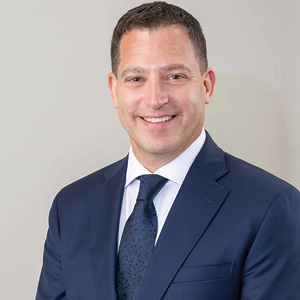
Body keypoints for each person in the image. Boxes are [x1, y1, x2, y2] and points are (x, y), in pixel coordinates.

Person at [36, 2, 300, 300]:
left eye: (174, 76)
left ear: (207, 85)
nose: (155, 99)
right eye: (136, 79)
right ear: (114, 90)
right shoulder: (70, 207)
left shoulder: (270, 206)